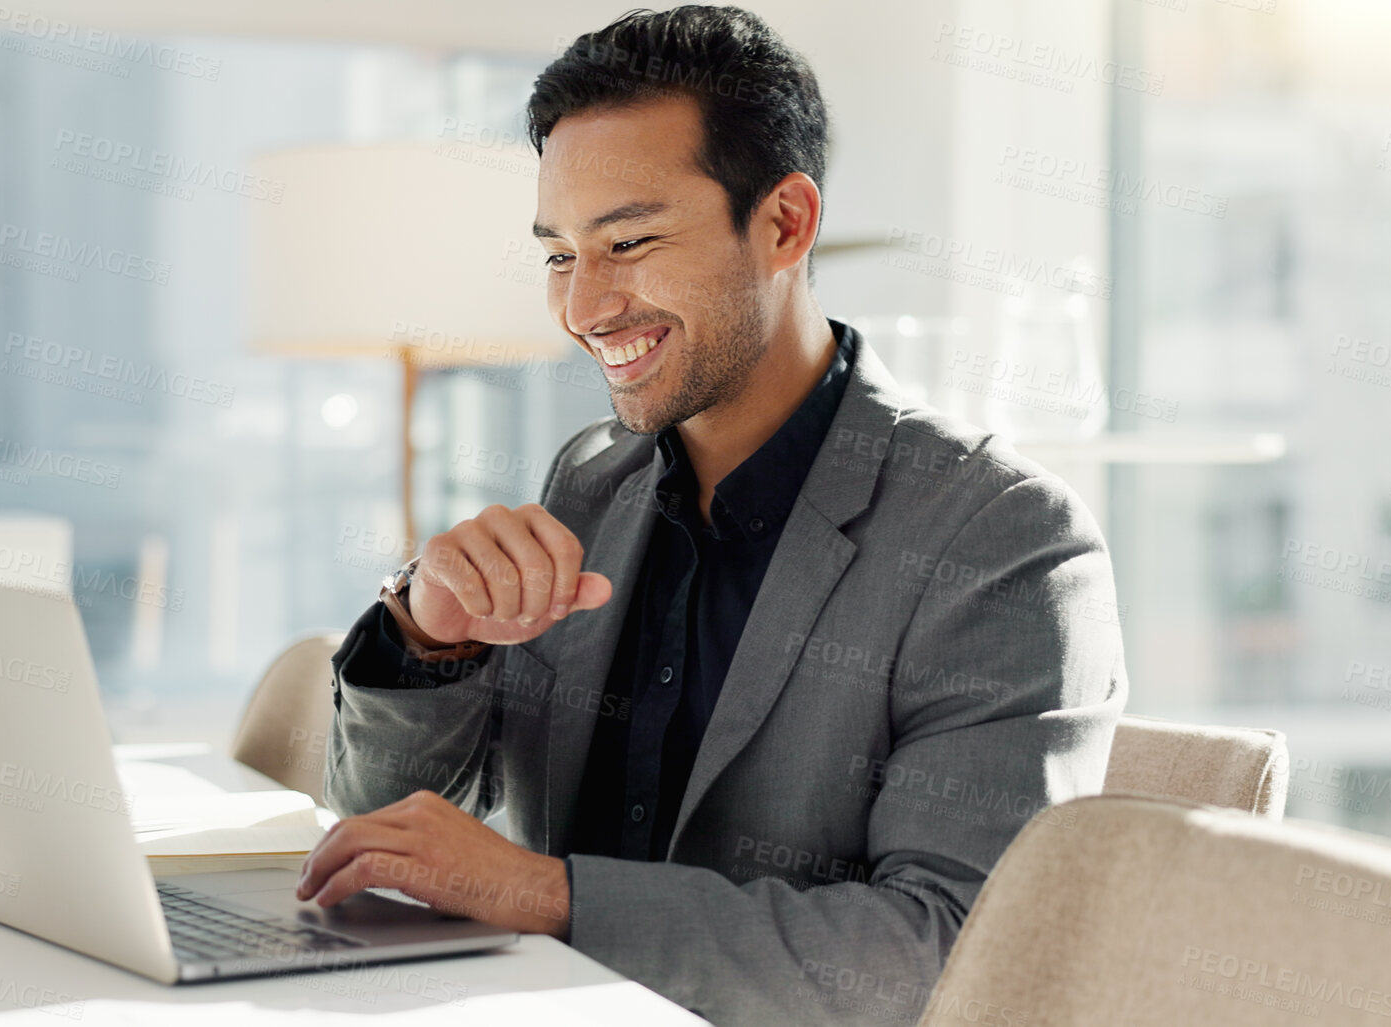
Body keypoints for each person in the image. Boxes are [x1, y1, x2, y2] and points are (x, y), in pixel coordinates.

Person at [297, 6, 1127, 1023]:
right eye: (561, 254)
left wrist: (546, 894)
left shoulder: (1003, 539)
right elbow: (379, 833)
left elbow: (950, 952)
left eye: (631, 241)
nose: (585, 307)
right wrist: (427, 637)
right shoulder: (591, 481)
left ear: (785, 222)